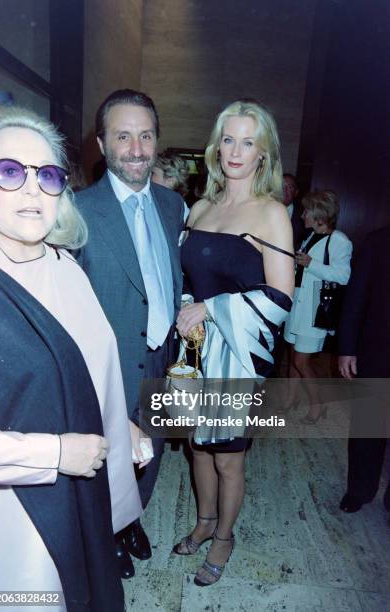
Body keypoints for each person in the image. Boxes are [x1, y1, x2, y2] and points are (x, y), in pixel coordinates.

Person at [0, 105, 141, 611]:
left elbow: (88, 367)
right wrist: (53, 455)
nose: (33, 189)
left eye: (48, 175)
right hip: (16, 514)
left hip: (83, 494)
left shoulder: (67, 266)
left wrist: (119, 424)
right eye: (9, 171)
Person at [174, 99, 294, 586]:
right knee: (196, 449)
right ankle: (204, 523)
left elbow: (281, 297)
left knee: (227, 455)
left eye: (248, 141)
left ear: (264, 153)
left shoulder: (271, 213)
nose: (236, 151)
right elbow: (188, 276)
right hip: (195, 352)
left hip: (236, 356)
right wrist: (186, 306)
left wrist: (213, 309)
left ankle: (225, 536)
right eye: (228, 139)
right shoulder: (201, 206)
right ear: (215, 146)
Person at [74, 89, 185, 579]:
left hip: (161, 356)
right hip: (108, 363)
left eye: (146, 136)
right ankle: (107, 534)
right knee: (107, 460)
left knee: (152, 451)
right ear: (101, 143)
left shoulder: (172, 204)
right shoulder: (75, 210)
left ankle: (131, 521)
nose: (137, 149)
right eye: (123, 136)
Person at [284, 190, 353, 422]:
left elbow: (343, 276)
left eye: (306, 211)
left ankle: (318, 405)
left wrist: (311, 263)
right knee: (293, 356)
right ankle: (290, 399)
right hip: (297, 306)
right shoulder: (310, 236)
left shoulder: (339, 240)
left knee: (301, 361)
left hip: (315, 311)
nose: (302, 215)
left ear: (320, 215)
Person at [338, 225, 390, 513]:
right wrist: (347, 347)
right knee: (368, 426)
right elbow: (356, 297)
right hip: (378, 352)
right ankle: (359, 490)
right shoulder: (379, 240)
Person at [282, 172, 306, 250]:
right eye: (281, 186)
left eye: (289, 187)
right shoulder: (265, 211)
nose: (284, 190)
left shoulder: (304, 214)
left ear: (296, 192)